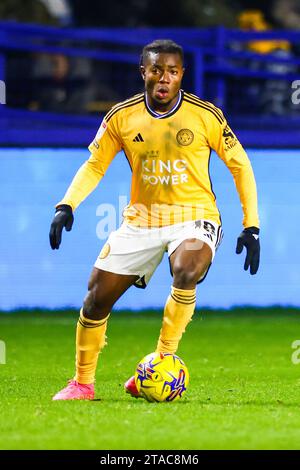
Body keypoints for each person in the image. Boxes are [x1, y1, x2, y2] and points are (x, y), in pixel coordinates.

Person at [49, 39, 260, 401]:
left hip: (195, 215)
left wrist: (251, 225)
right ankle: (82, 383)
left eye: (173, 72)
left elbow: (240, 165)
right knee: (96, 299)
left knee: (187, 269)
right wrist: (67, 204)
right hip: (142, 220)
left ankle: (162, 361)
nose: (165, 78)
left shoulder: (205, 115)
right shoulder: (122, 116)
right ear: (143, 71)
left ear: (182, 75)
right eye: (157, 70)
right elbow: (95, 165)